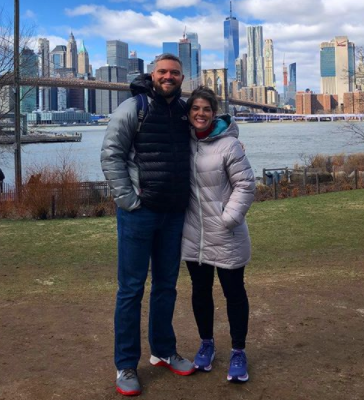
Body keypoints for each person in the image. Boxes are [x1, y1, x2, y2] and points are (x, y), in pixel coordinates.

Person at [100, 53, 194, 397]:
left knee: (167, 285)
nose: (168, 77)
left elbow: (211, 122)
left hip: (174, 212)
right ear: (152, 75)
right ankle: (125, 364)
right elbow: (110, 154)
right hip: (139, 213)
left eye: (175, 73)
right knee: (131, 289)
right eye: (163, 72)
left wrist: (229, 128)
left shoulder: (185, 110)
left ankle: (163, 350)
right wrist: (129, 200)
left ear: (183, 78)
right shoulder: (133, 107)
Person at [181, 86, 255, 382]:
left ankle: (238, 350)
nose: (200, 114)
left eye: (206, 109)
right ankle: (206, 344)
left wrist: (229, 218)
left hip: (226, 232)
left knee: (234, 293)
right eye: (195, 109)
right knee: (200, 293)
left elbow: (246, 185)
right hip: (193, 233)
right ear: (188, 114)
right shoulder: (181, 142)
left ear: (214, 114)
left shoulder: (229, 145)